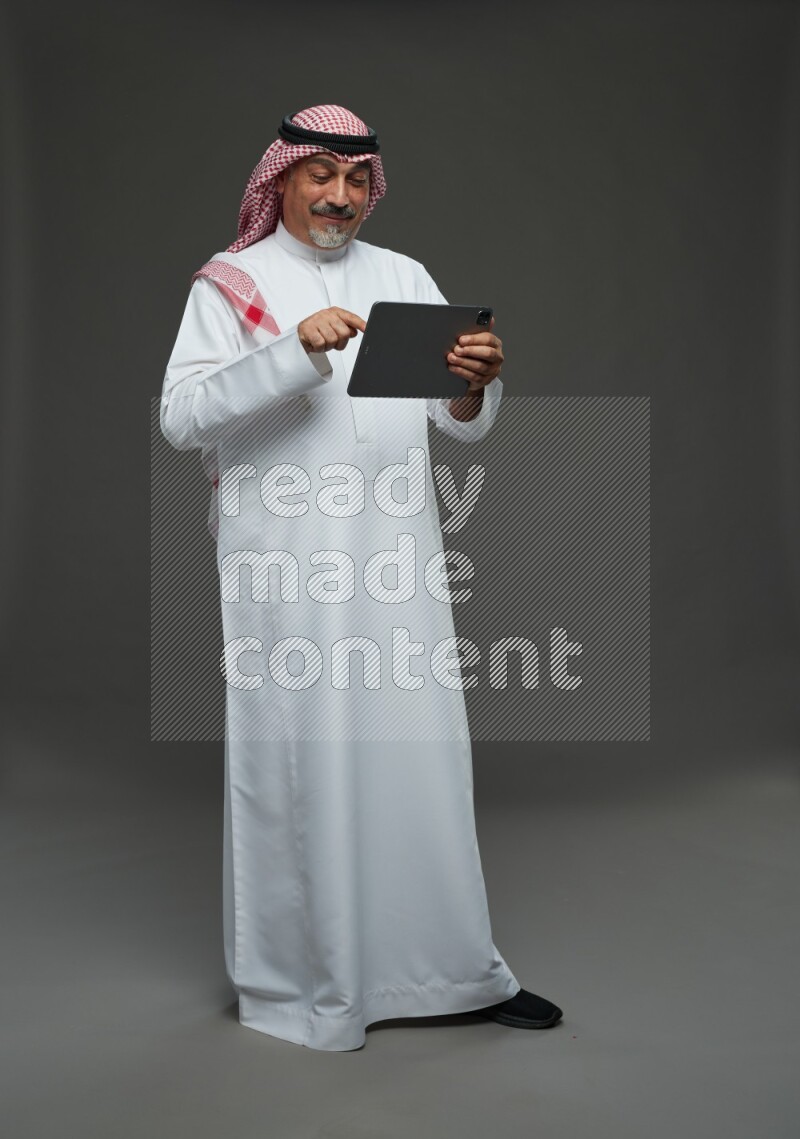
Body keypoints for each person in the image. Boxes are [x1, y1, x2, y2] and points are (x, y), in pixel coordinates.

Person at [160, 104, 563, 1051]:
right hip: (287, 571)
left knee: (419, 758)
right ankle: (314, 984)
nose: (339, 196)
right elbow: (182, 418)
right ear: (284, 179)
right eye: (320, 176)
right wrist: (292, 350)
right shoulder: (233, 284)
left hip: (399, 563)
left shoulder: (404, 276)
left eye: (356, 179)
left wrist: (474, 380)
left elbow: (457, 422)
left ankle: (454, 970)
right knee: (312, 763)